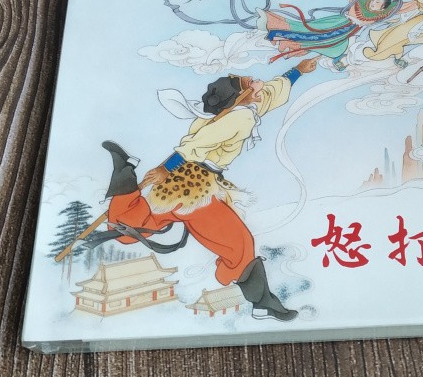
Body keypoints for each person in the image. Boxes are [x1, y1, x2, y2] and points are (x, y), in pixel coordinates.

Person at [94, 57, 318, 322]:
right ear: (239, 97)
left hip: (185, 186)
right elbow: (195, 146)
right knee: (239, 244)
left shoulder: (240, 108)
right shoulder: (241, 116)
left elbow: (271, 93)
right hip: (193, 189)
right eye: (251, 84)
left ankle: (123, 176)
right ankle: (262, 303)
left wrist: (298, 70)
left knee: (139, 224)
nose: (258, 84)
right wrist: (166, 168)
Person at [259, 0, 402, 69]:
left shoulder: (383, 13)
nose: (373, 3)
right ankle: (272, 25)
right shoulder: (360, 1)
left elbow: (403, 7)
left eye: (377, 2)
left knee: (332, 48)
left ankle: (287, 44)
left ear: (383, 6)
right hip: (337, 23)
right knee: (309, 30)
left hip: (347, 34)